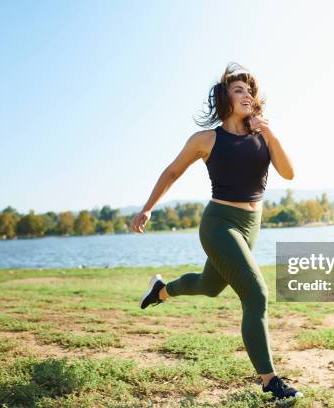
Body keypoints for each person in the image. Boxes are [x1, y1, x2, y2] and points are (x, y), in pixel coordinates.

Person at [130, 62, 302, 400]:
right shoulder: (206, 139)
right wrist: (148, 207)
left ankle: (162, 290)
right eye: (238, 90)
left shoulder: (262, 136)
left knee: (209, 286)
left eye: (249, 91)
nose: (246, 95)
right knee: (256, 295)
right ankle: (270, 382)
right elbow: (172, 172)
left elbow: (289, 173)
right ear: (225, 98)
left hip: (251, 225)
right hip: (219, 223)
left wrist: (268, 132)